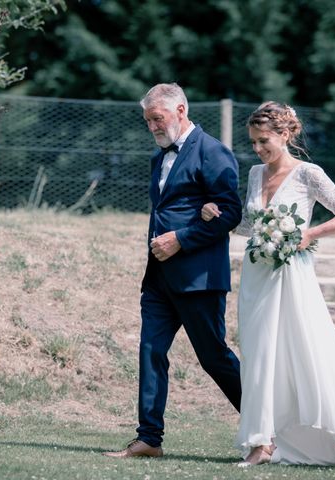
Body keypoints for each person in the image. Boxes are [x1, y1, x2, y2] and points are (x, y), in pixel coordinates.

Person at [201, 101, 335, 470]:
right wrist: (221, 217)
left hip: (292, 277)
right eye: (253, 142)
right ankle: (261, 442)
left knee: (308, 354)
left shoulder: (308, 174)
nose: (258, 149)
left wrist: (308, 233)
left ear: (285, 134)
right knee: (258, 358)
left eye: (264, 141)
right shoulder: (255, 174)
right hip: (257, 277)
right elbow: (249, 228)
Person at [103, 83, 243, 458]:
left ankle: (265, 427)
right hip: (159, 278)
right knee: (150, 351)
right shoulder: (158, 156)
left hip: (199, 278)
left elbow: (230, 212)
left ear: (180, 110)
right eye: (148, 120)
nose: (151, 126)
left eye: (157, 118)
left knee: (214, 358)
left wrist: (181, 238)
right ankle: (149, 438)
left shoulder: (213, 152)